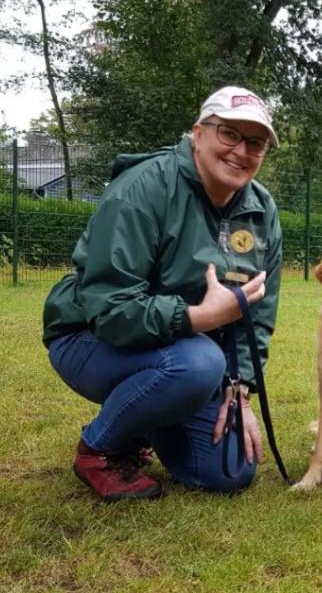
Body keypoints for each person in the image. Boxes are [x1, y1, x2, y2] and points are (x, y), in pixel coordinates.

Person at [42, 85, 283, 500]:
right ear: (198, 133)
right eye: (229, 134)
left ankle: (147, 418)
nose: (241, 151)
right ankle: (98, 449)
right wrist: (198, 318)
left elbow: (257, 314)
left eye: (256, 143)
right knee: (200, 363)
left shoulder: (261, 211)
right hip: (87, 337)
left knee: (228, 473)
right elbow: (109, 307)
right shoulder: (143, 189)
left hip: (180, 354)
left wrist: (240, 387)